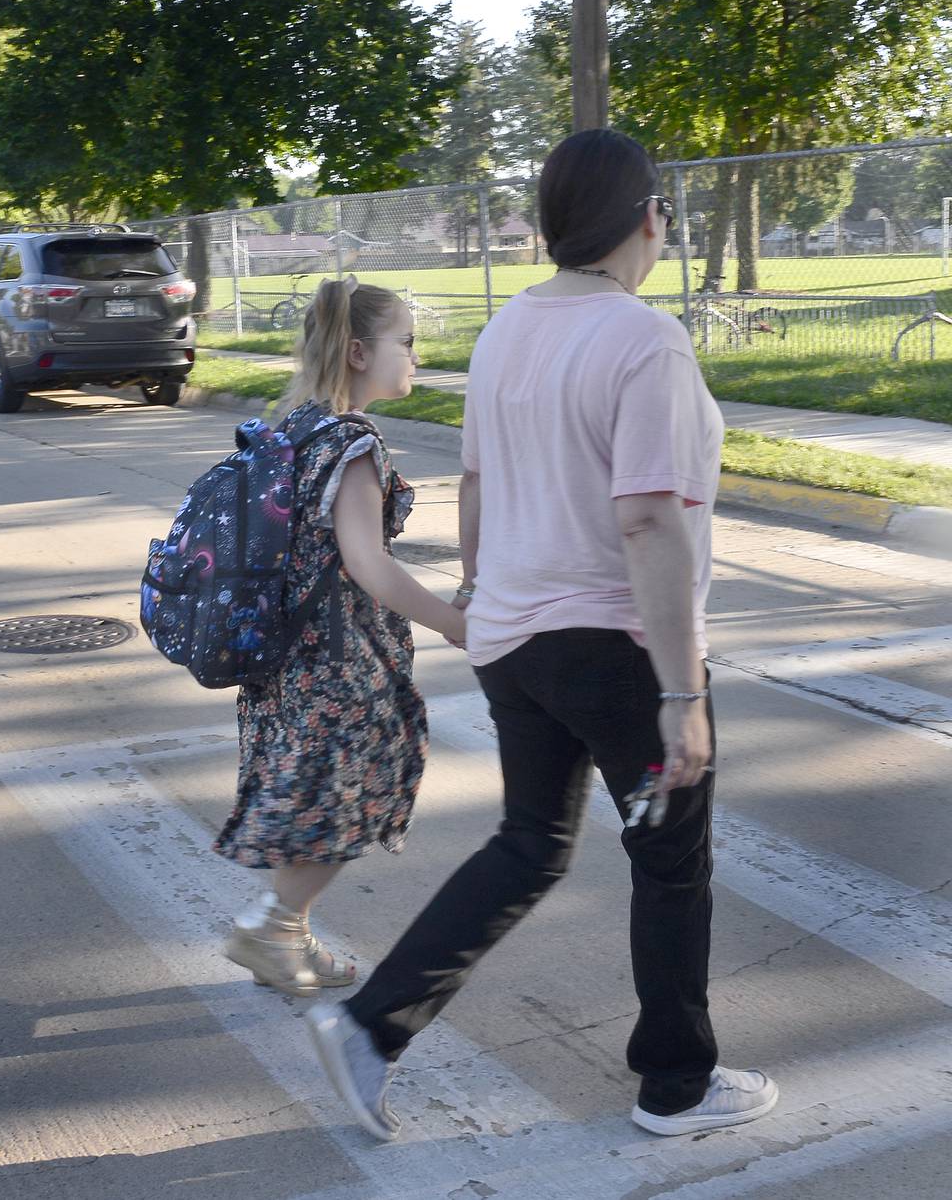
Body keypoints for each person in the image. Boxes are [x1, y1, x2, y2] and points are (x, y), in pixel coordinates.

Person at [308, 129, 778, 1140]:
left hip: (516, 636)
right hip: (612, 643)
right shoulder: (644, 339)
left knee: (530, 842)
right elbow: (648, 518)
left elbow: (477, 482)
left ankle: (367, 1025)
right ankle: (677, 1083)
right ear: (647, 215)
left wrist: (487, 597)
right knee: (670, 861)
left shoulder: (509, 328)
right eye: (664, 211)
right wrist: (682, 689)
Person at [219, 277, 467, 996]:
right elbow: (367, 563)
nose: (416, 356)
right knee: (351, 792)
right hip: (338, 660)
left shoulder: (297, 423)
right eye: (407, 342)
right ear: (360, 351)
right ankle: (274, 925)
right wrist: (452, 620)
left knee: (313, 795)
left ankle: (284, 934)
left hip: (287, 655)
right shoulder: (352, 442)